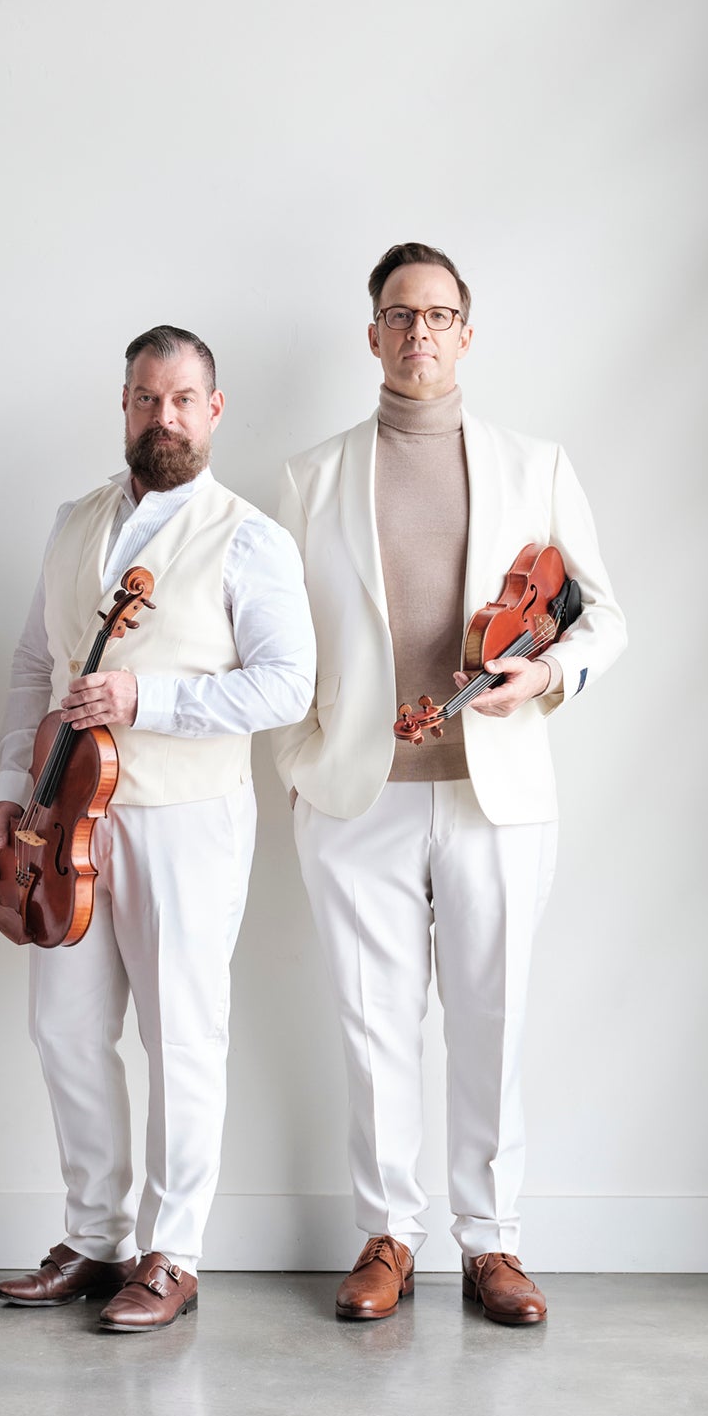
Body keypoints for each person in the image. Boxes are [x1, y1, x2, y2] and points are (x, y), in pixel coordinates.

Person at [272, 241, 626, 1327]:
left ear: (466, 332)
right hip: (357, 789)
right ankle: (388, 1234)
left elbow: (605, 614)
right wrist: (303, 750)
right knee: (374, 1026)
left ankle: (494, 1241)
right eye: (398, 314)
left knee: (493, 1014)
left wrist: (549, 671)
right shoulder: (310, 476)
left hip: (497, 788)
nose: (418, 332)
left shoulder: (537, 463)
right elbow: (278, 639)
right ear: (371, 334)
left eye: (438, 314)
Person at [0, 326, 314, 1332]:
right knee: (66, 1030)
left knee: (183, 1034)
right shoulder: (72, 520)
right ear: (122, 405)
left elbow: (286, 686)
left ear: (212, 410)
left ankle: (172, 1252)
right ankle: (94, 1237)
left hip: (184, 816)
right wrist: (11, 784)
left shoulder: (250, 536)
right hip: (65, 820)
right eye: (142, 398)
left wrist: (147, 697)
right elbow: (36, 667)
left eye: (180, 399)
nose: (160, 417)